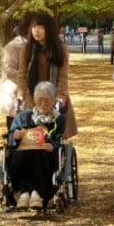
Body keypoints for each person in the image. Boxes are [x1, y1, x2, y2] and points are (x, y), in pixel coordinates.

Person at [16, 11, 78, 139]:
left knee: (53, 136)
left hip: (53, 97)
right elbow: (22, 74)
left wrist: (60, 97)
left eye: (41, 27)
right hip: (33, 96)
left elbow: (63, 76)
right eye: (33, 27)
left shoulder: (60, 49)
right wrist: (20, 94)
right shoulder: (27, 49)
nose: (36, 31)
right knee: (32, 137)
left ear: (48, 29)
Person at [8, 81, 66, 210]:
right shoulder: (23, 116)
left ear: (53, 101)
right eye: (40, 99)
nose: (44, 103)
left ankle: (35, 194)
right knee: (23, 154)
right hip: (23, 153)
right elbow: (10, 137)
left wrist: (53, 146)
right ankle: (25, 193)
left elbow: (59, 141)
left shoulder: (59, 119)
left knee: (39, 155)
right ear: (34, 100)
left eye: (47, 100)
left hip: (46, 154)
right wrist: (16, 135)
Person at [0, 11, 36, 131]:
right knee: (17, 133)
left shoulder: (37, 45)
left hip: (35, 95)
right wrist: (28, 76)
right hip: (16, 93)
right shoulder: (13, 46)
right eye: (35, 26)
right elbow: (9, 70)